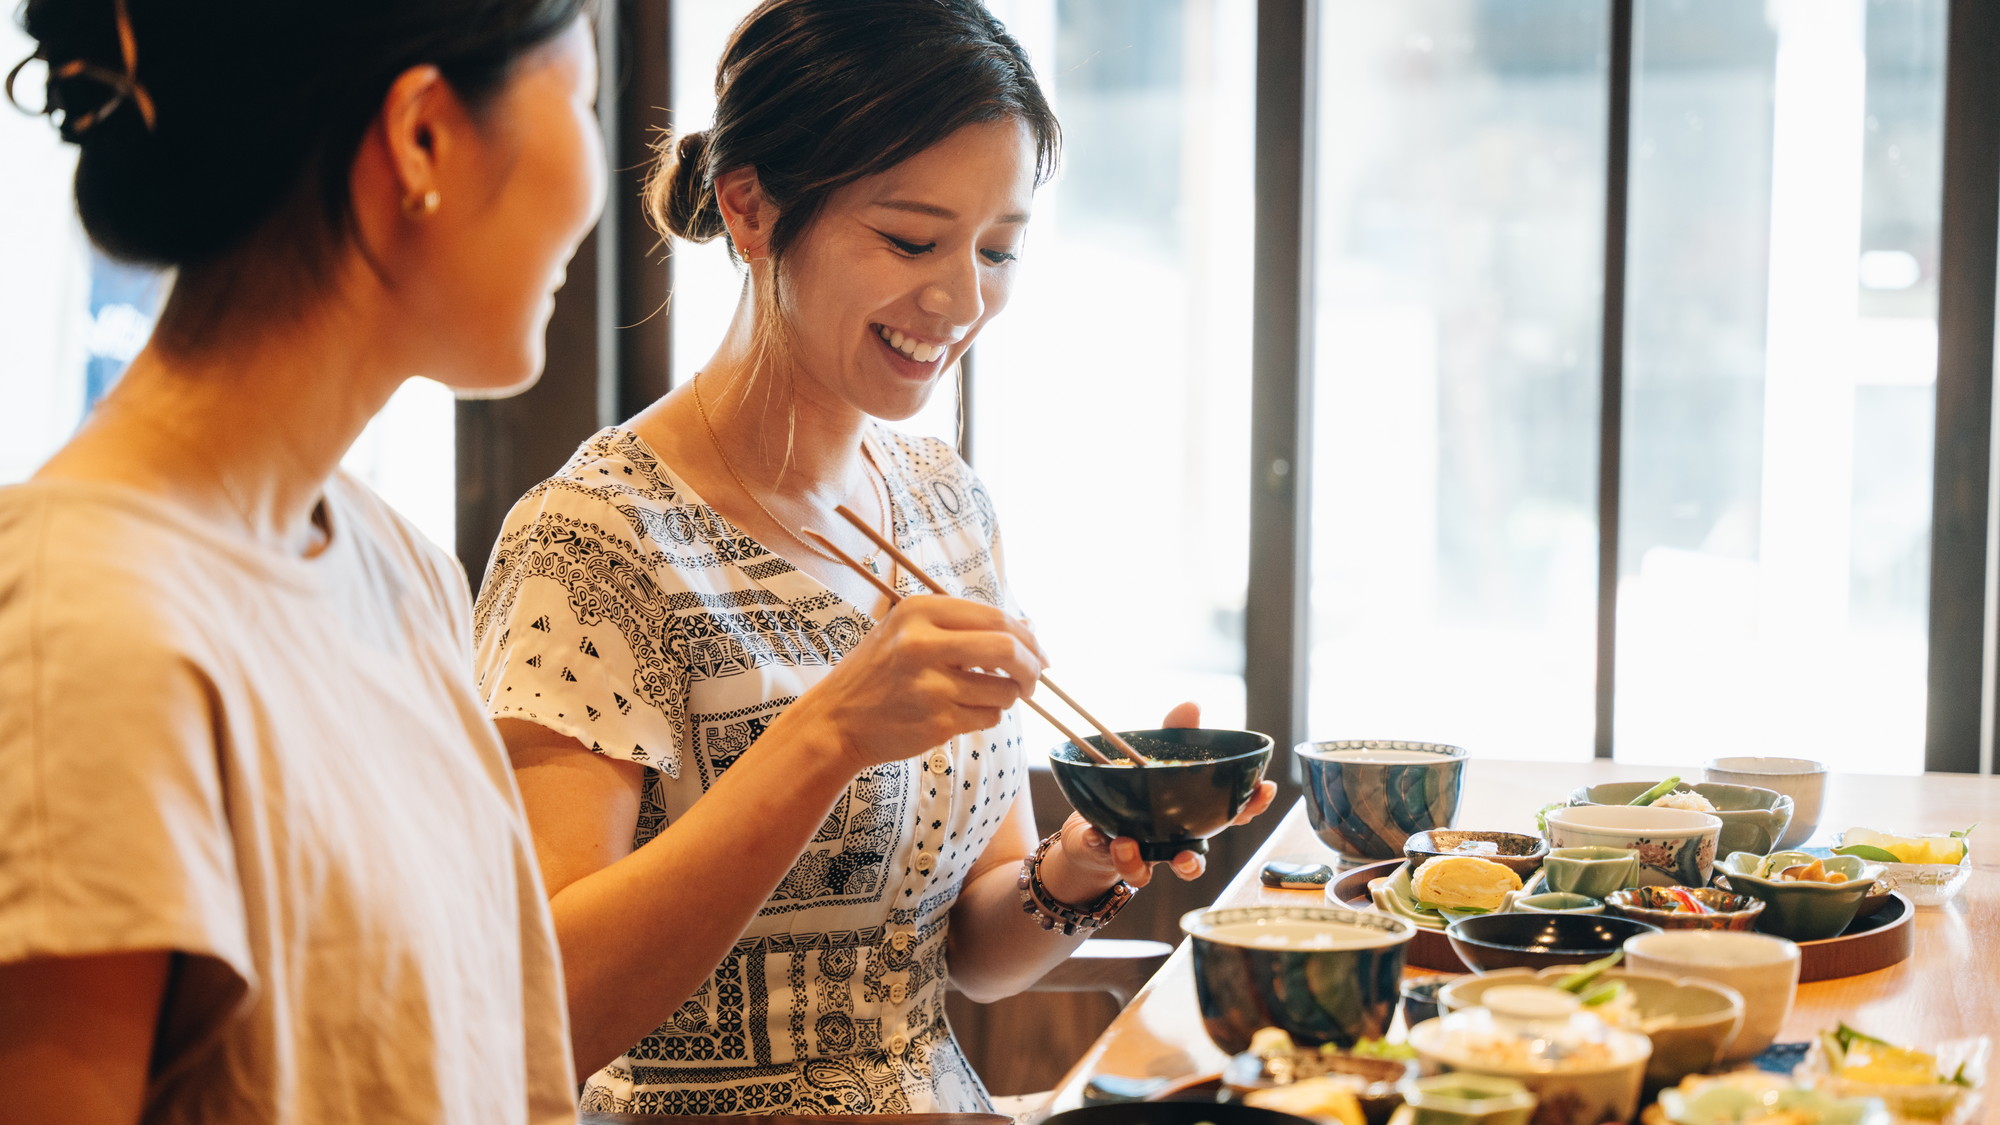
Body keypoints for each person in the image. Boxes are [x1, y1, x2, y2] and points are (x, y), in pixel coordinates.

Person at [471, 0, 1278, 1115]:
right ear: (752, 210)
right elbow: (536, 1013)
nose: (958, 300)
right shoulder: (598, 540)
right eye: (909, 240)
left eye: (996, 248)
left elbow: (969, 955)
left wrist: (1084, 863)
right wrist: (828, 733)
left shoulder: (944, 505)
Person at [0, 1, 603, 1122]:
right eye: (581, 98)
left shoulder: (405, 573)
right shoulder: (85, 619)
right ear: (422, 136)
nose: (596, 177)